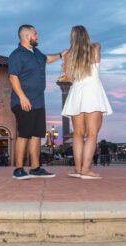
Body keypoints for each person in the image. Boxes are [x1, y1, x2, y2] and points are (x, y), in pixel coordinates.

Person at [8, 24, 65, 180]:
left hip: (39, 103)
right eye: (35, 34)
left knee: (36, 135)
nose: (38, 36)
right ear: (27, 36)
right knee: (24, 135)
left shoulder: (36, 53)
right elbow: (13, 77)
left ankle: (35, 168)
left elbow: (48, 59)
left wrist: (62, 54)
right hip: (23, 102)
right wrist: (22, 97)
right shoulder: (16, 55)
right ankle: (18, 169)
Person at [61, 25, 112, 179]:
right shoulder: (95, 48)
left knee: (77, 134)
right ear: (86, 35)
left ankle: (78, 169)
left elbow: (70, 79)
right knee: (92, 134)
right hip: (92, 93)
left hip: (76, 93)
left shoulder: (68, 55)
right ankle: (85, 170)